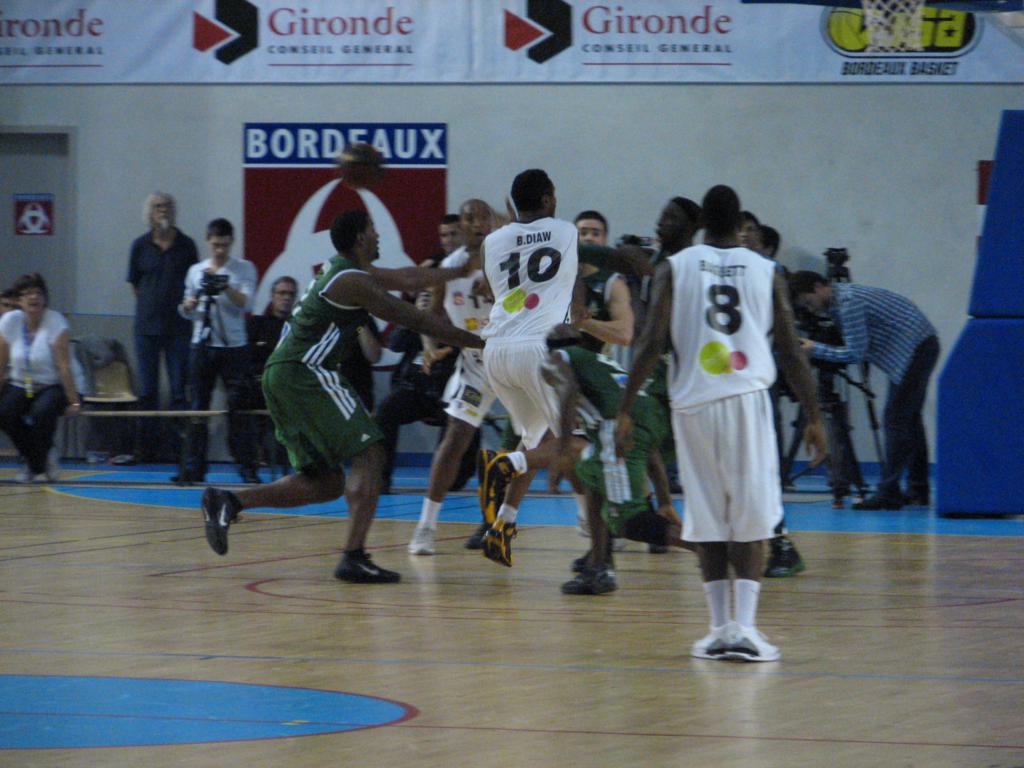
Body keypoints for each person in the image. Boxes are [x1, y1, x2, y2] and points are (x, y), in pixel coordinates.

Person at [198, 210, 483, 584]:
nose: (379, 236)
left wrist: (457, 271)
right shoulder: (352, 280)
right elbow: (414, 318)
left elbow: (409, 278)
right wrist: (479, 342)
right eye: (374, 230)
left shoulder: (349, 270)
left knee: (326, 482)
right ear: (361, 238)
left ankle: (230, 501)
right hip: (306, 372)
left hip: (285, 374)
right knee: (371, 451)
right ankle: (353, 556)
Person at [617, 185, 827, 662]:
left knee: (707, 516)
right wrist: (814, 416)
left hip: (692, 404)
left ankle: (717, 630)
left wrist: (625, 407)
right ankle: (745, 628)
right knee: (751, 515)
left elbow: (649, 343)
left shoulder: (674, 267)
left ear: (702, 225)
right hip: (746, 400)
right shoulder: (767, 270)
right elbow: (790, 349)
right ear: (739, 224)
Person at [475, 169, 580, 567]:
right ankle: (504, 465)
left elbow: (494, 287)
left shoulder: (491, 241)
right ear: (550, 198)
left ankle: (502, 525)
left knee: (537, 441)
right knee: (578, 443)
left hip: (496, 352)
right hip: (538, 348)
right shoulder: (566, 231)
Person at [539, 325, 689, 595]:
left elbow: (568, 389)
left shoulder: (555, 359)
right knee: (589, 471)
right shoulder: (603, 365)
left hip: (616, 429)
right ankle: (599, 565)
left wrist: (562, 449)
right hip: (656, 424)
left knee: (630, 521)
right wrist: (664, 501)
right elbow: (648, 448)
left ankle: (712, 547)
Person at [789, 270, 940, 510]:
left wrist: (815, 349)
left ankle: (889, 493)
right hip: (917, 346)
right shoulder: (842, 300)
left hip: (914, 349)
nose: (811, 309)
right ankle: (918, 489)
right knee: (909, 421)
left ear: (818, 287)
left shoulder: (848, 304)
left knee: (895, 420)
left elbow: (854, 354)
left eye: (809, 302)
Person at [408, 199, 497, 555]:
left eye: (484, 217)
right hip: (476, 363)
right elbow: (430, 314)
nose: (478, 223)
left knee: (555, 437)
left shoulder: (509, 259)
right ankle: (426, 526)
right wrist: (430, 346)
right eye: (470, 217)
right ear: (461, 225)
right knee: (455, 436)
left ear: (492, 224)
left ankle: (585, 517)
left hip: (515, 360)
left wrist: (499, 288)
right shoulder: (448, 269)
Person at [177, 218, 259, 484]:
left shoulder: (244, 268)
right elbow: (186, 309)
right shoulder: (195, 271)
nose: (220, 250)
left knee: (240, 409)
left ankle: (247, 466)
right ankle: (193, 467)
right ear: (208, 242)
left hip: (234, 346)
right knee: (197, 409)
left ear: (231, 242)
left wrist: (224, 286)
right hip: (202, 344)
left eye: (224, 245)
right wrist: (189, 305)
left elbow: (247, 304)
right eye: (215, 245)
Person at [127, 192, 197, 462]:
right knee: (147, 392)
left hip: (179, 329)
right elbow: (136, 285)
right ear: (149, 213)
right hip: (146, 330)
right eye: (157, 207)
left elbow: (194, 284)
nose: (163, 211)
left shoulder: (187, 245)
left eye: (167, 206)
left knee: (179, 391)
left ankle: (180, 453)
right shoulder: (139, 246)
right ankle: (147, 451)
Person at [0, 273, 81, 482]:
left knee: (42, 412)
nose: (33, 297)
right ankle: (40, 459)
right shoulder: (10, 321)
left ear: (45, 298)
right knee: (5, 413)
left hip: (54, 383)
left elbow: (64, 366)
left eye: (37, 293)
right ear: (19, 300)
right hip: (21, 383)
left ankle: (34, 465)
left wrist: (73, 401)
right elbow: (1, 362)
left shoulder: (56, 321)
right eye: (27, 294)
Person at [244, 275, 297, 470]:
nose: (286, 298)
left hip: (290, 389)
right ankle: (251, 459)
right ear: (272, 296)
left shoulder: (300, 328)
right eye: (282, 293)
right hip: (259, 388)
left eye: (291, 294)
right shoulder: (257, 324)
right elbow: (246, 359)